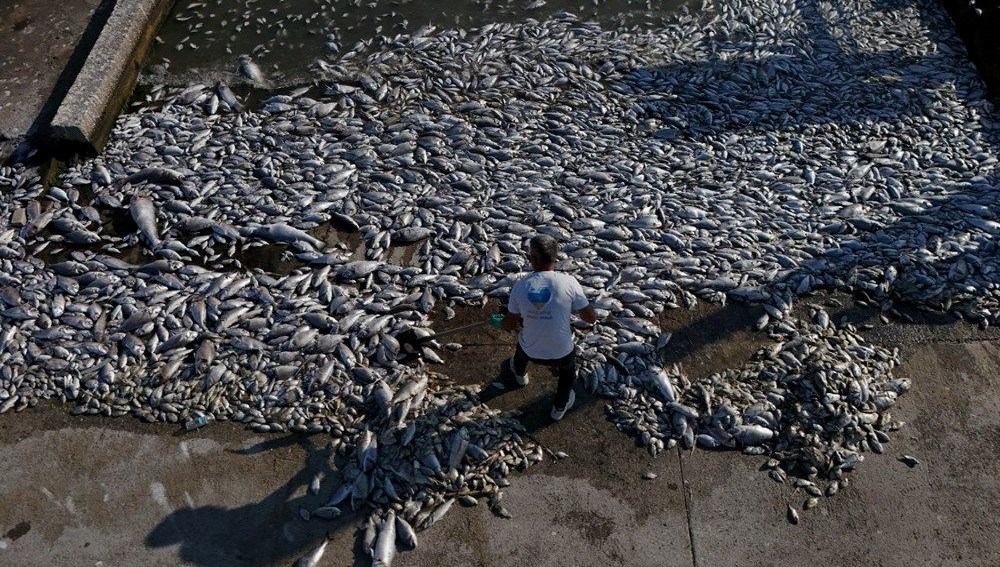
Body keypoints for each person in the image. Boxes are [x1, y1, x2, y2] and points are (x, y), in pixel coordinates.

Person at [501, 234, 598, 420]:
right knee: (568, 372)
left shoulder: (520, 285)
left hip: (530, 350)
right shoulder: (569, 282)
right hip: (561, 352)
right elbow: (591, 319)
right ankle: (559, 408)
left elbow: (509, 324)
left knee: (520, 350)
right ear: (555, 257)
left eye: (530, 256)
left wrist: (512, 321)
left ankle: (520, 376)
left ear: (534, 259)